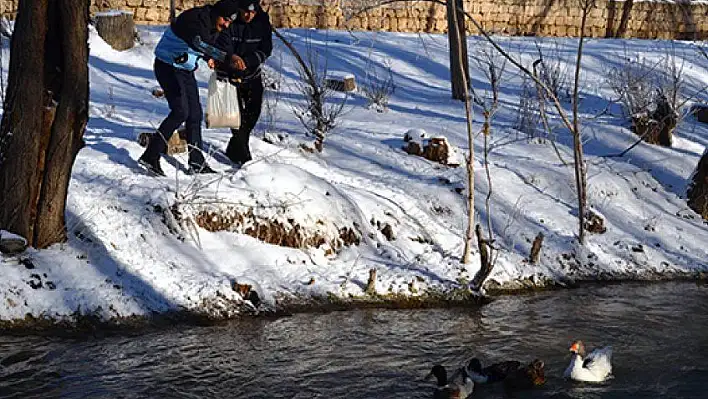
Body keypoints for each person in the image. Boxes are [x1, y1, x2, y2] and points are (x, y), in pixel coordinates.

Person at [138, 0, 242, 176]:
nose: (226, 24)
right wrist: (225, 57)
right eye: (224, 19)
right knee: (180, 112)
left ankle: (196, 162)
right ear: (216, 13)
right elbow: (198, 43)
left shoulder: (215, 26)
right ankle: (150, 156)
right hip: (167, 66)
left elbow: (206, 47)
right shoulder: (194, 19)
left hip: (184, 69)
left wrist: (210, 58)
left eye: (229, 22)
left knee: (195, 115)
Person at [215, 0, 273, 165]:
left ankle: (235, 147)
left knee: (253, 113)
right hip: (228, 74)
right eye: (245, 12)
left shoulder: (262, 22)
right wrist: (232, 58)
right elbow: (221, 43)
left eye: (252, 12)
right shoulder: (230, 20)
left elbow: (266, 48)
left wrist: (248, 61)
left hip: (252, 72)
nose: (248, 16)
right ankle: (244, 158)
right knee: (235, 118)